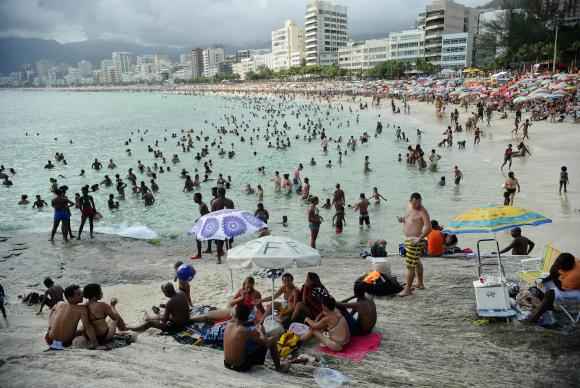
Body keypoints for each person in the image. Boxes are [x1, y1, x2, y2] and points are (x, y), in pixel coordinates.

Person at [223, 304, 288, 373]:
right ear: (247, 317)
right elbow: (265, 342)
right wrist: (261, 331)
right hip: (240, 367)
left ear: (234, 315)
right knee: (272, 341)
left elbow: (240, 320)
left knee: (248, 342)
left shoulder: (229, 324)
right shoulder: (245, 331)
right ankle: (279, 368)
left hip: (227, 364)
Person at [527, 253, 579, 323]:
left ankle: (532, 320)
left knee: (550, 294)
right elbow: (553, 277)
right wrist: (544, 280)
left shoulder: (571, 277)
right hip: (566, 283)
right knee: (538, 287)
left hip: (576, 290)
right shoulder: (556, 268)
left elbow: (561, 288)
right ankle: (546, 306)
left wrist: (557, 277)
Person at [397, 193, 432, 297]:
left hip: (415, 241)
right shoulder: (408, 206)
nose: (418, 204)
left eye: (419, 202)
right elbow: (408, 218)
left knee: (410, 265)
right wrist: (402, 220)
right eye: (415, 202)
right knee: (416, 262)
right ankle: (420, 283)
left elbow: (428, 227)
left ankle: (407, 289)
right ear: (410, 201)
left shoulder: (422, 211)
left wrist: (420, 238)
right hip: (408, 239)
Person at [45, 284, 98, 350]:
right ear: (70, 297)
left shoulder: (60, 304)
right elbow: (88, 327)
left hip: (49, 339)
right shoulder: (82, 309)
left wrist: (50, 325)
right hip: (65, 343)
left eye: (81, 293)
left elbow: (52, 311)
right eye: (78, 294)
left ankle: (55, 344)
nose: (82, 296)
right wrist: (95, 343)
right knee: (84, 327)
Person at [192, 192, 210, 260]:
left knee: (197, 238)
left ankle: (199, 254)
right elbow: (206, 213)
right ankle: (209, 249)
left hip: (206, 221)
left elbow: (204, 216)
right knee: (208, 236)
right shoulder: (201, 204)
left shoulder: (202, 206)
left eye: (194, 198)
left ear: (198, 198)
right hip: (207, 221)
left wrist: (198, 220)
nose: (193, 199)